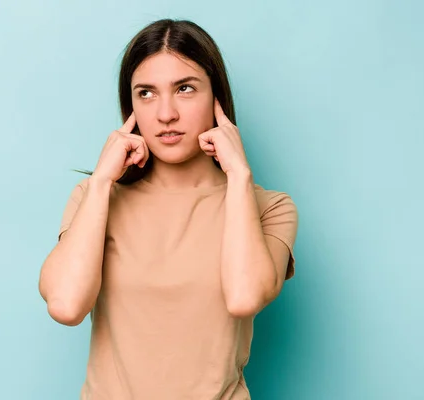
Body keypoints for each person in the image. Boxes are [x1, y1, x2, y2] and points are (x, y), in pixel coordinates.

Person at [38, 18, 299, 400]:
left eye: (185, 89)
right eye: (146, 93)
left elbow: (244, 296)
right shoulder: (94, 198)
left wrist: (239, 176)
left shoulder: (270, 207)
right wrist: (101, 182)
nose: (165, 114)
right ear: (130, 106)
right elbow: (65, 305)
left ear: (217, 99)